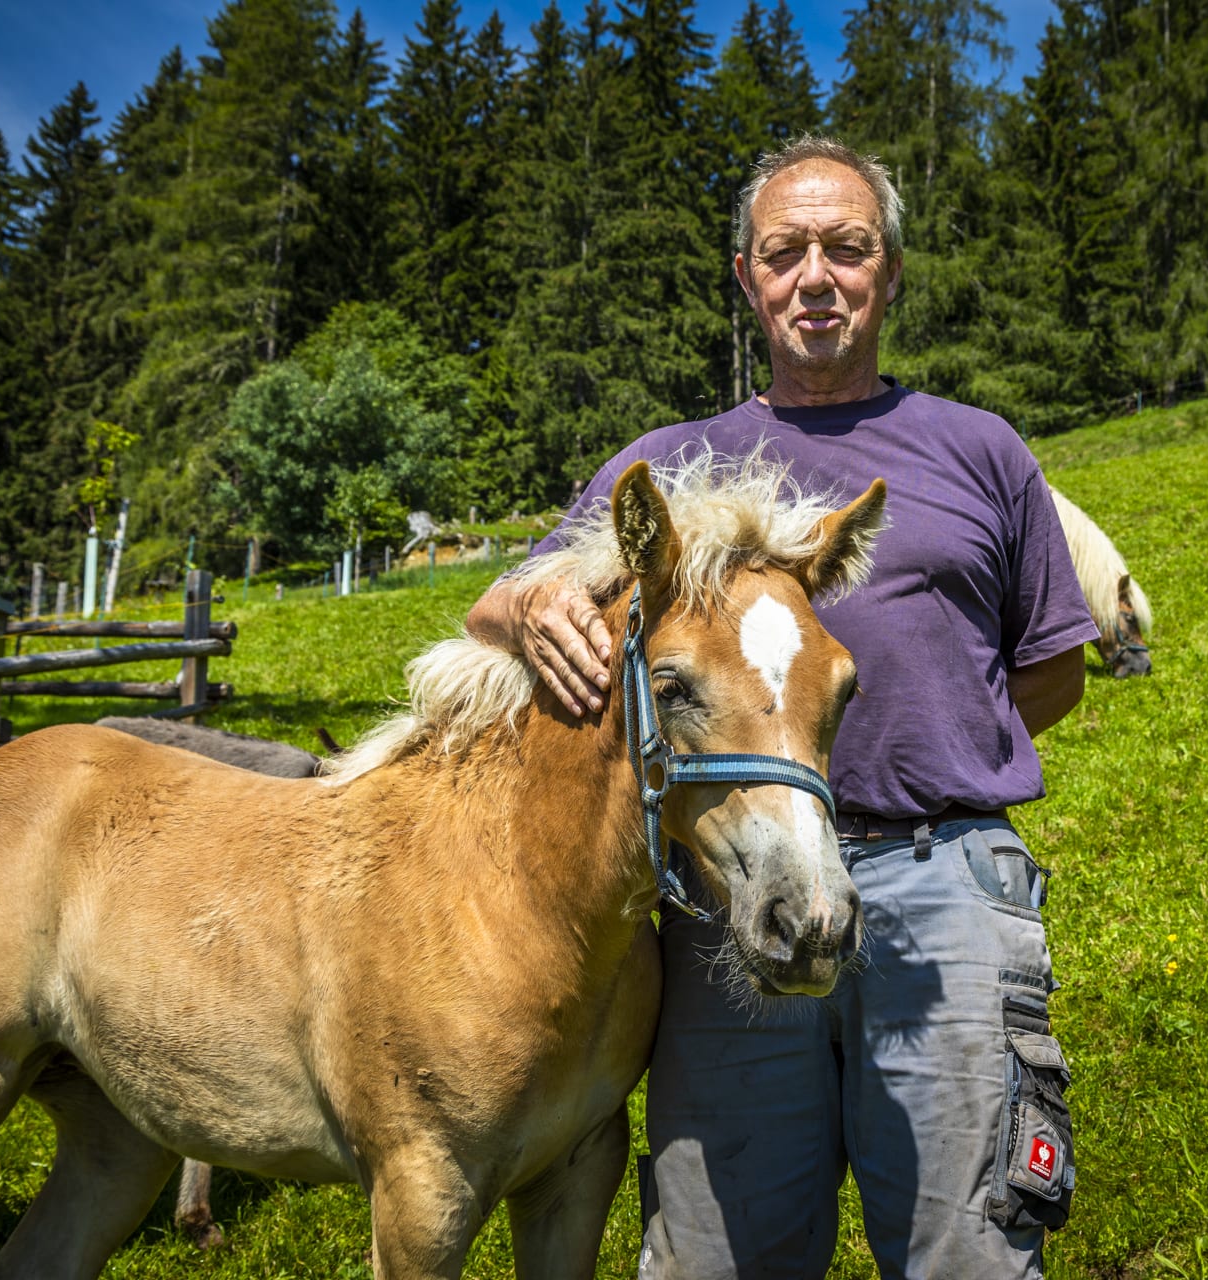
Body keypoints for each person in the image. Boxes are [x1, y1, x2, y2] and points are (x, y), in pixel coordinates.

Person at [464, 134, 1097, 1280]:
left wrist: (931, 750)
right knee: (719, 1254)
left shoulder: (983, 450)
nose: (816, 276)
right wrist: (533, 605)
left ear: (889, 271)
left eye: (847, 248)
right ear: (748, 278)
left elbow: (1052, 668)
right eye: (784, 251)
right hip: (723, 897)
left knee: (970, 1252)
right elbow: (495, 605)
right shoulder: (671, 460)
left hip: (942, 880)